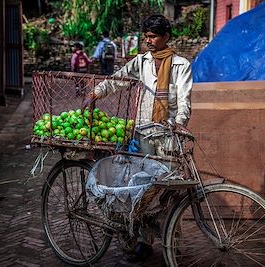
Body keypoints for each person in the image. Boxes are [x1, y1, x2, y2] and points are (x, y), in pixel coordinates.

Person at [83, 14, 193, 262]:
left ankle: (171, 244)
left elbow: (185, 101)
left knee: (169, 192)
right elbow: (119, 79)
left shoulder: (181, 65)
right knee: (143, 190)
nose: (149, 41)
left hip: (167, 138)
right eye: (146, 37)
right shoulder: (141, 62)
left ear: (166, 37)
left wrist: (179, 123)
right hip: (143, 133)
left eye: (153, 36)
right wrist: (96, 93)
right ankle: (144, 242)